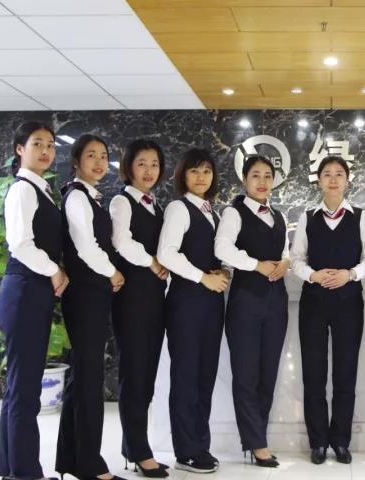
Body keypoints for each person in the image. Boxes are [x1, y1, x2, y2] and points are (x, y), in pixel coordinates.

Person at [290, 155, 365, 465]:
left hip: (349, 301)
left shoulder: (361, 217)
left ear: (347, 180)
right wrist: (312, 275)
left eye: (339, 173)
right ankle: (318, 442)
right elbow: (296, 259)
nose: (334, 179)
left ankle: (340, 441)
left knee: (345, 373)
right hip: (313, 301)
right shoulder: (307, 217)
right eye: (327, 174)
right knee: (313, 374)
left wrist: (350, 274)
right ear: (319, 181)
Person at [0, 122, 68, 480]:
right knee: (24, 389)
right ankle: (25, 473)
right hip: (25, 288)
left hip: (32, 289)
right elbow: (20, 243)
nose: (45, 150)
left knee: (20, 387)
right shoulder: (23, 190)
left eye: (51, 145)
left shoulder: (40, 188)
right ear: (19, 149)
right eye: (37, 143)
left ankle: (13, 469)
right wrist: (54, 270)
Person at [56, 134, 126, 480]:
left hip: (91, 294)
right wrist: (113, 272)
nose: (99, 162)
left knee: (83, 377)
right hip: (85, 295)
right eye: (91, 155)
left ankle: (72, 461)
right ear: (76, 161)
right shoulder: (76, 196)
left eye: (103, 155)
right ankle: (90, 465)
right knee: (88, 379)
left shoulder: (89, 197)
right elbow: (85, 246)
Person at [157, 148, 229, 474]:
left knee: (204, 376)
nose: (201, 177)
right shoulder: (179, 208)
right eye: (194, 171)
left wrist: (222, 272)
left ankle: (200, 445)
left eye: (207, 171)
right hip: (186, 303)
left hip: (210, 304)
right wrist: (203, 278)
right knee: (186, 377)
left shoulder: (212, 212)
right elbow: (167, 254)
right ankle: (186, 451)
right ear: (183, 175)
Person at [215, 155, 290, 468]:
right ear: (244, 179)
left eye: (268, 175)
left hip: (277, 302)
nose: (262, 181)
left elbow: (285, 250)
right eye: (256, 175)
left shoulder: (279, 215)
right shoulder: (233, 213)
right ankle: (257, 444)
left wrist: (285, 262)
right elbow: (222, 248)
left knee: (267, 374)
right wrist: (255, 265)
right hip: (246, 301)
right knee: (246, 375)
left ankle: (257, 438)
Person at [109, 139, 169, 477]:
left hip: (154, 299)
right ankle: (141, 452)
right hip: (131, 298)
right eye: (142, 163)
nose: (149, 170)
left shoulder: (155, 206)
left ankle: (133, 447)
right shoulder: (122, 201)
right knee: (134, 375)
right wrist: (153, 262)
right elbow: (121, 241)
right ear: (129, 166)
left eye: (155, 164)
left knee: (145, 377)